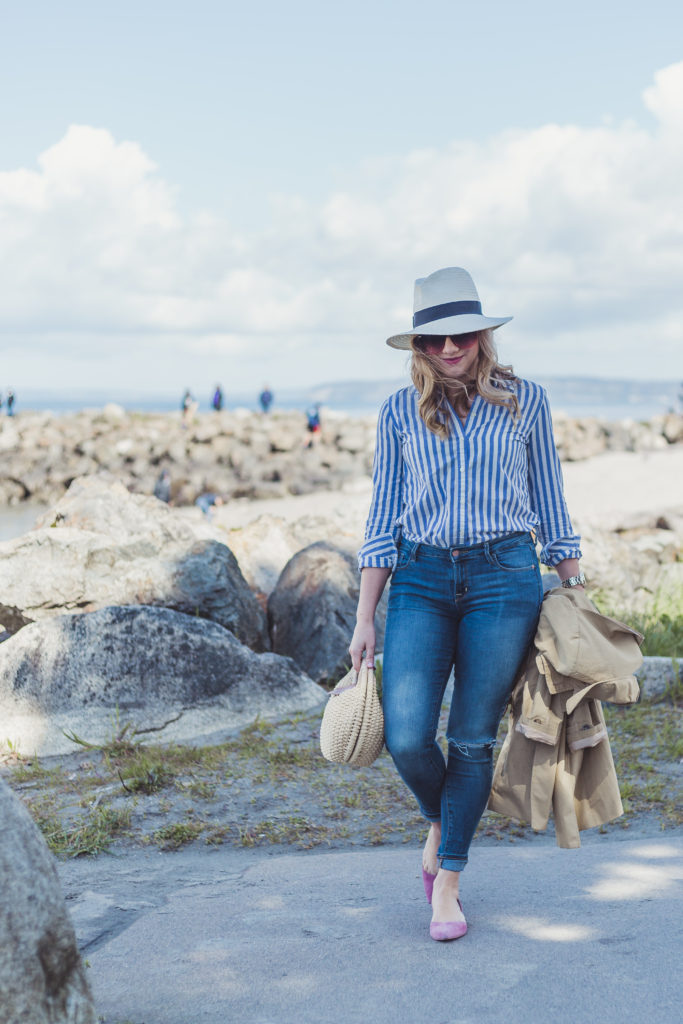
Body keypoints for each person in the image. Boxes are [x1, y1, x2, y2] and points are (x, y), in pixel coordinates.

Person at [349, 267, 583, 943]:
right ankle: (444, 817)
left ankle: (446, 879)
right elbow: (381, 517)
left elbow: (551, 502)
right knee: (408, 735)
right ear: (417, 347)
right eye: (432, 341)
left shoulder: (525, 401)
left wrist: (571, 592)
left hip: (504, 578)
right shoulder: (398, 412)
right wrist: (365, 618)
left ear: (483, 335)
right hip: (419, 580)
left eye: (462, 336)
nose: (449, 350)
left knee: (474, 737)